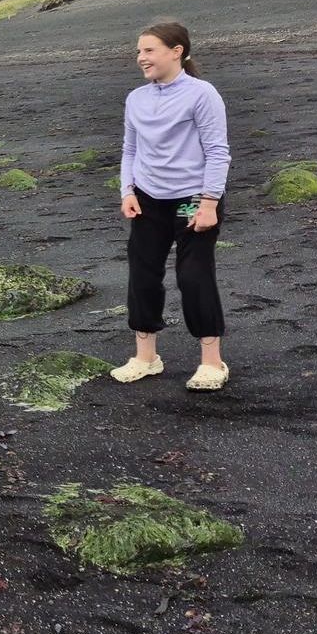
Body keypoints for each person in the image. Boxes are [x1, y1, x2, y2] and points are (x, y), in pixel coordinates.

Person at [112, 21, 231, 391]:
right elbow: (130, 150)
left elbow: (217, 152)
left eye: (148, 50)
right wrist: (127, 191)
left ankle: (213, 362)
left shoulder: (202, 94)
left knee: (193, 275)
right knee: (142, 274)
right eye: (138, 51)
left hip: (192, 200)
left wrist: (209, 203)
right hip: (148, 199)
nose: (140, 58)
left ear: (176, 51)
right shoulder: (136, 98)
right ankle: (146, 357)